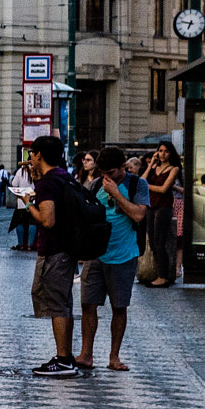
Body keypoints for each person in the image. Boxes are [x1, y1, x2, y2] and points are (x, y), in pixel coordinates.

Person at [77, 146, 148, 372]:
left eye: (111, 172)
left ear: (123, 167)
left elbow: (138, 214)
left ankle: (114, 356)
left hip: (124, 254)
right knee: (88, 304)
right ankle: (86, 354)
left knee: (119, 306)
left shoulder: (137, 184)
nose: (106, 177)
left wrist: (117, 193)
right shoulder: (96, 184)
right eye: (103, 172)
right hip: (96, 253)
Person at [25, 134, 83, 378]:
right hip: (66, 249)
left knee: (58, 305)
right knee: (63, 304)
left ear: (39, 155)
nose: (29, 158)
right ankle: (66, 356)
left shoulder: (48, 183)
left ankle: (63, 360)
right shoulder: (63, 176)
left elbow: (47, 220)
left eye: (31, 153)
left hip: (54, 251)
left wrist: (28, 203)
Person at [143, 140, 181, 286]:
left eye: (166, 151)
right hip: (151, 206)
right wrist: (150, 164)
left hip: (163, 207)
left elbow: (164, 189)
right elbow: (142, 180)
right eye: (160, 150)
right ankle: (158, 274)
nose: (162, 154)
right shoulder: (154, 167)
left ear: (170, 153)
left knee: (160, 242)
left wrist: (147, 186)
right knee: (152, 242)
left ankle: (163, 276)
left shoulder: (174, 169)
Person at [9, 159, 35, 250]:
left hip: (22, 200)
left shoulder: (21, 171)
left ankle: (20, 243)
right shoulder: (36, 170)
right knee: (33, 222)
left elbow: (14, 183)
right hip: (33, 199)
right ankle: (30, 244)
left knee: (20, 222)